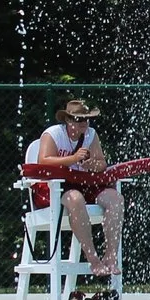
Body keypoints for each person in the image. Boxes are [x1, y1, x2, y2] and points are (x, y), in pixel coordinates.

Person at [28, 97, 125, 278]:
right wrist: (72, 159)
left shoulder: (91, 135)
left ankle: (111, 256)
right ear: (68, 120)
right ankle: (93, 259)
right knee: (75, 199)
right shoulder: (53, 134)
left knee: (116, 199)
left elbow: (101, 164)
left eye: (86, 119)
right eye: (79, 120)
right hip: (57, 187)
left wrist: (92, 165)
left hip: (83, 182)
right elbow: (43, 161)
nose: (84, 124)